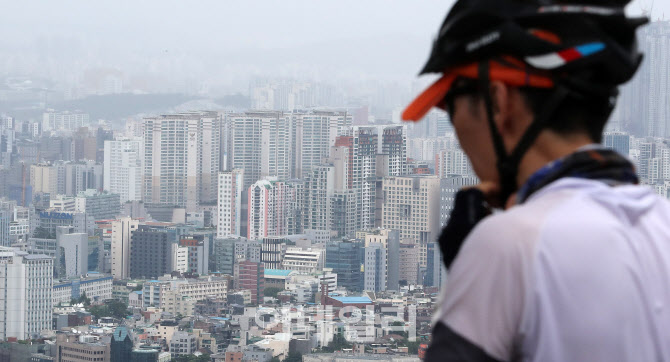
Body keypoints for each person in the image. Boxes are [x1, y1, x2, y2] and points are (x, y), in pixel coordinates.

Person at [403, 1, 670, 361]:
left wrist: (468, 276)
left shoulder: (511, 244)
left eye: (451, 107)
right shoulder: (662, 224)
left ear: (499, 102)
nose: (457, 133)